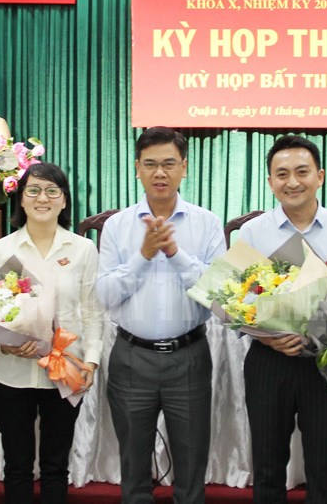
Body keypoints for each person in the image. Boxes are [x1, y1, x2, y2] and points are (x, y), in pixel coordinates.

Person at [238, 135, 327, 503]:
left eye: (302, 172)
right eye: (282, 174)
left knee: (323, 467)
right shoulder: (253, 232)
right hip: (268, 361)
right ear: (270, 181)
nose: (292, 182)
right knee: (267, 467)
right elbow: (236, 303)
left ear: (320, 176)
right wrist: (267, 338)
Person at [96, 127, 226, 504]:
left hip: (189, 357)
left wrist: (175, 253)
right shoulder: (118, 226)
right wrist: (143, 255)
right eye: (150, 164)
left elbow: (220, 294)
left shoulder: (206, 223)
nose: (160, 173)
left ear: (184, 167)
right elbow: (104, 295)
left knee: (191, 465)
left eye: (169, 163)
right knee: (133, 467)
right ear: (137, 168)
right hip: (131, 358)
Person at [0, 162, 104, 504]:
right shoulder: (0, 250)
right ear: (21, 199)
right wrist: (5, 345)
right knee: (17, 466)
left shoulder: (82, 249)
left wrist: (91, 361)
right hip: (11, 372)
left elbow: (93, 311)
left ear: (64, 200)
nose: (42, 198)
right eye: (33, 190)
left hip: (67, 368)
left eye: (52, 191)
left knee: (55, 466)